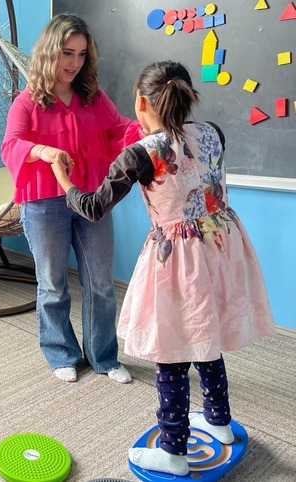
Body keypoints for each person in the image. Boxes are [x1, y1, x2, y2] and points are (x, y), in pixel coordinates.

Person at [51, 60, 276, 476]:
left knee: (171, 346)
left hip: (179, 258)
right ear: (188, 97)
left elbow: (93, 207)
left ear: (140, 101)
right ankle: (220, 421)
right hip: (221, 245)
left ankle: (172, 448)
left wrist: (63, 179)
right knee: (205, 334)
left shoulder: (139, 154)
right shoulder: (212, 132)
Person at [0, 13, 133, 384]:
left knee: (101, 283)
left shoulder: (94, 98)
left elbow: (120, 130)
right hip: (44, 203)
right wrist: (44, 152)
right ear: (48, 53)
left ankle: (104, 357)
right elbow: (11, 145)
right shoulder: (26, 102)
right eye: (66, 53)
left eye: (81, 55)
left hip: (91, 200)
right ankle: (61, 353)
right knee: (53, 284)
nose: (74, 63)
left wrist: (154, 127)